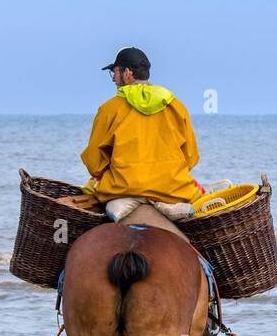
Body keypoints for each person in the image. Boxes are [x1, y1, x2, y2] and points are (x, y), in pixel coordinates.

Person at [81, 47, 202, 222]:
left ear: (127, 73)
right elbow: (191, 157)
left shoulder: (109, 109)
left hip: (122, 190)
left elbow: (94, 163)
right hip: (172, 190)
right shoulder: (176, 106)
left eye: (115, 72)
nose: (114, 79)